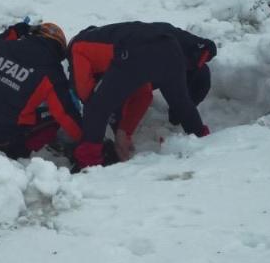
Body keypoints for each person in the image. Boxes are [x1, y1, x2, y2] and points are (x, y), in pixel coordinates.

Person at [67, 22, 215, 169]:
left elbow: (85, 93)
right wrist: (123, 132)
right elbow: (143, 95)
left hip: (136, 51)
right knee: (182, 104)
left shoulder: (77, 47)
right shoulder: (113, 35)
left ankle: (88, 163)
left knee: (96, 108)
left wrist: (93, 126)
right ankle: (205, 141)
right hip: (170, 47)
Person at [0, 22, 84, 159]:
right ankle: (21, 151)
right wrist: (87, 138)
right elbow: (65, 114)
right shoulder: (52, 73)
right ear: (58, 50)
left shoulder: (5, 47)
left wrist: (14, 31)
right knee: (52, 120)